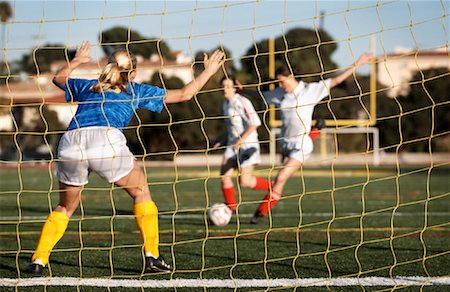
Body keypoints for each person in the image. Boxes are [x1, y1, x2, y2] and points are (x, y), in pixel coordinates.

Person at [25, 41, 224, 274]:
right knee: (140, 191)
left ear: (107, 67)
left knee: (65, 207)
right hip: (106, 140)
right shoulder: (135, 89)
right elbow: (185, 94)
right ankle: (153, 256)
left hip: (71, 141)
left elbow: (58, 78)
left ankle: (38, 260)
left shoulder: (89, 86)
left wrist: (78, 60)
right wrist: (209, 71)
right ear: (134, 73)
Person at [250, 53, 374, 224]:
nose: (280, 85)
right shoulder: (280, 93)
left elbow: (337, 80)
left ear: (291, 77)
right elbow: (259, 96)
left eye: (282, 81)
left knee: (280, 178)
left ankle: (260, 213)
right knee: (279, 181)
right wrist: (240, 89)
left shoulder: (311, 90)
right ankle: (315, 130)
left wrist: (359, 63)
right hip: (285, 143)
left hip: (301, 147)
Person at [214, 77, 272, 212]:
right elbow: (231, 128)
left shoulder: (242, 101)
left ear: (235, 88)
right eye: (223, 86)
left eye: (228, 86)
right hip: (233, 145)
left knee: (244, 182)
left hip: (247, 145)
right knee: (225, 176)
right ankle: (231, 209)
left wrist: (241, 140)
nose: (225, 89)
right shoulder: (226, 104)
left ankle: (273, 186)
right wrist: (221, 141)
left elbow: (255, 123)